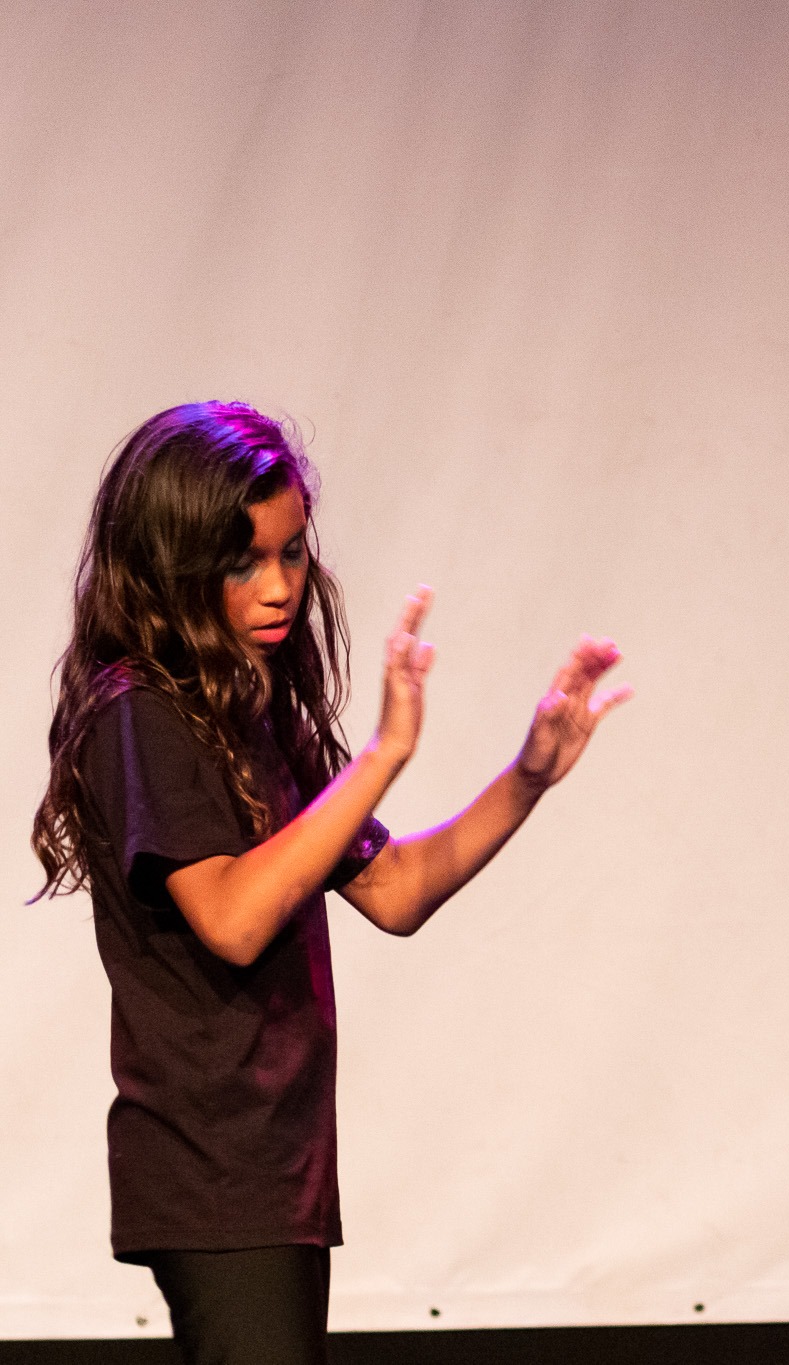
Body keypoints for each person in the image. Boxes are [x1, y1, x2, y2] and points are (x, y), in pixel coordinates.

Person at [30, 402, 630, 1364]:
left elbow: (394, 889)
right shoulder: (143, 712)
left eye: (292, 553)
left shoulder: (254, 712)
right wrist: (385, 753)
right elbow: (231, 916)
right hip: (213, 1172)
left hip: (278, 1170)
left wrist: (526, 778)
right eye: (243, 563)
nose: (279, 587)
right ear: (174, 565)